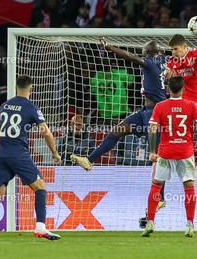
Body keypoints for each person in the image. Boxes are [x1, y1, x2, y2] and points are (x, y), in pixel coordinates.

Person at [71, 36, 168, 211]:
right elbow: (161, 53)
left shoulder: (151, 62)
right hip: (145, 111)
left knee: (156, 155)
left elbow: (130, 57)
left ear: (147, 53)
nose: (141, 55)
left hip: (156, 113)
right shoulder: (163, 61)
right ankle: (89, 160)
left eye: (143, 52)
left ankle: (160, 197)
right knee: (117, 131)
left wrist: (109, 46)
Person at [0, 75, 61, 241]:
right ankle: (40, 227)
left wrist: (4, 143)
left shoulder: (5, 105)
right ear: (31, 89)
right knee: (40, 189)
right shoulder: (32, 108)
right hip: (18, 153)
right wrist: (54, 152)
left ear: (15, 88)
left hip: (0, 153)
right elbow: (46, 132)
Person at [142, 76, 197, 238]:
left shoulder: (160, 106)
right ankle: (190, 224)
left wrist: (152, 151)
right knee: (189, 187)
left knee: (156, 185)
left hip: (165, 152)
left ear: (168, 89)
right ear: (183, 89)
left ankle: (150, 222)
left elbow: (152, 129)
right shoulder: (191, 105)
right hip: (185, 153)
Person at [165, 34, 197, 197]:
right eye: (172, 50)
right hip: (185, 103)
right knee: (184, 141)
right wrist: (168, 72)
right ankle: (187, 176)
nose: (174, 52)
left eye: (176, 49)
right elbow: (168, 70)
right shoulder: (173, 60)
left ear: (184, 46)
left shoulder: (196, 53)